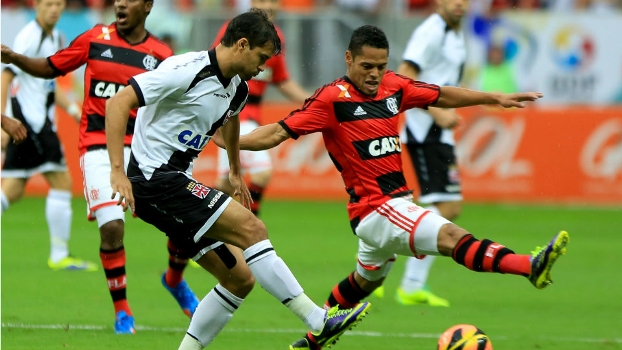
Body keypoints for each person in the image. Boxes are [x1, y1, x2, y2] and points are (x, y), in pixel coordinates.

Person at [216, 25, 569, 350]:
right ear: (349, 58)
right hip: (378, 208)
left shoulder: (394, 87)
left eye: (380, 66)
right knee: (451, 236)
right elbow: (278, 131)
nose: (374, 74)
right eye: (367, 65)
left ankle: (313, 338)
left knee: (364, 282)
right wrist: (232, 142)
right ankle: (529, 265)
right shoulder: (331, 99)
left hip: (387, 209)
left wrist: (492, 98)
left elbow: (441, 95)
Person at [104, 8, 371, 350]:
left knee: (239, 279)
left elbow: (229, 119)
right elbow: (117, 103)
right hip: (153, 179)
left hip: (170, 183)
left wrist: (234, 168)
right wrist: (116, 171)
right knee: (253, 229)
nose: (263, 67)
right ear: (242, 45)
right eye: (261, 57)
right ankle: (318, 320)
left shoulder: (238, 88)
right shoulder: (185, 70)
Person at [1, 0, 200, 334]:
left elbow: (182, 99)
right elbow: (52, 68)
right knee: (112, 227)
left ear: (148, 6)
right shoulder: (94, 38)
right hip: (97, 146)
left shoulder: (162, 55)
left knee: (183, 224)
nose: (120, 3)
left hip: (145, 150)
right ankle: (123, 311)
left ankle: (174, 279)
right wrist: (15, 58)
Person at [0, 0, 97, 272]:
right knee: (62, 182)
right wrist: (4, 121)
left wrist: (71, 109)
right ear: (37, 6)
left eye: (58, 4)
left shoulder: (56, 37)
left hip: (34, 122)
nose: (54, 9)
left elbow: (48, 85)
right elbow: (6, 76)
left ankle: (59, 254)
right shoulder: (29, 36)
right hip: (32, 123)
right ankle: (59, 255)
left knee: (14, 189)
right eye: (48, 4)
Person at [388, 0, 469, 307]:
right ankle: (393, 260)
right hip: (426, 130)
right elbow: (404, 78)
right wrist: (435, 111)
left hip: (438, 131)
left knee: (448, 207)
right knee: (448, 207)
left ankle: (393, 260)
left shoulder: (454, 32)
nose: (459, 4)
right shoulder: (431, 31)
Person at [211, 0, 309, 216]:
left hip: (249, 117)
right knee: (262, 173)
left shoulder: (277, 39)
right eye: (262, 0)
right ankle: (248, 229)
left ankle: (199, 232)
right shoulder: (234, 30)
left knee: (225, 184)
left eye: (273, 1)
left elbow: (282, 80)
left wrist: (312, 100)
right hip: (231, 116)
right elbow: (213, 66)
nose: (268, 6)